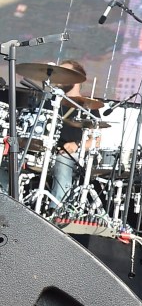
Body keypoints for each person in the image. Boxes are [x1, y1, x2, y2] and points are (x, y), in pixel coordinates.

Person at [49, 59, 92, 210]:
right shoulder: (51, 102)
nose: (58, 76)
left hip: (71, 154)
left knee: (63, 159)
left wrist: (76, 145)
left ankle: (57, 211)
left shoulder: (88, 106)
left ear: (77, 78)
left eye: (64, 73)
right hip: (46, 151)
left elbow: (96, 141)